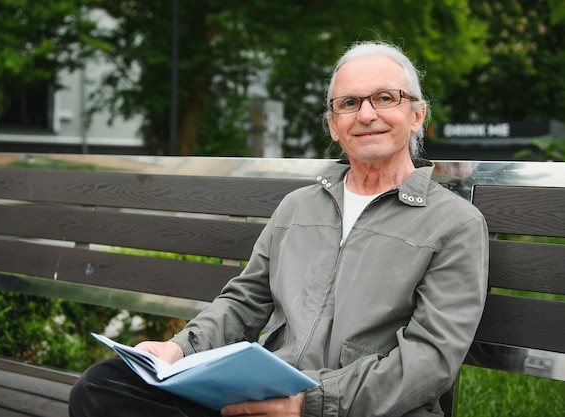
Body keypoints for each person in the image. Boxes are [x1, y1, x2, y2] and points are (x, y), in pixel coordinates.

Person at [69, 40, 489, 417]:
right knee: (102, 386)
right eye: (348, 103)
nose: (366, 114)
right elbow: (244, 300)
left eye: (384, 98)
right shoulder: (298, 207)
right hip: (266, 392)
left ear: (417, 115)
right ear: (333, 125)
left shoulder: (455, 223)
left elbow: (429, 361)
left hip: (360, 409)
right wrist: (178, 349)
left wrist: (310, 404)